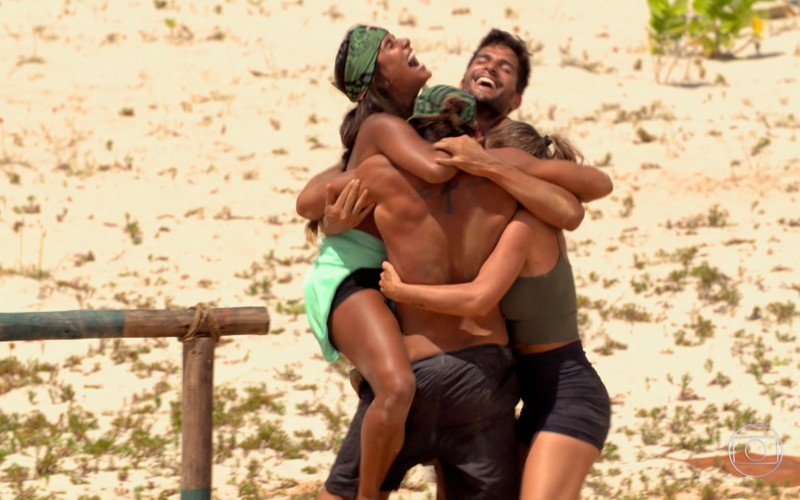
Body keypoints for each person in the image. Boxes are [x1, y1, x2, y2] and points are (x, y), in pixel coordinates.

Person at [301, 25, 583, 499]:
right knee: (394, 389)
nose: (488, 69)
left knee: (394, 399)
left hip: (436, 357)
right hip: (448, 353)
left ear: (514, 101)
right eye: (482, 60)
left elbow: (572, 207)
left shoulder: (479, 159)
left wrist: (485, 163)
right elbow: (315, 197)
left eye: (504, 68)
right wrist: (333, 220)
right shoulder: (416, 142)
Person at [322, 84, 536, 499]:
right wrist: (492, 162)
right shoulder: (505, 174)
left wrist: (333, 223)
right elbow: (587, 185)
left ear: (413, 131)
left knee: (344, 495)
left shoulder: (383, 177)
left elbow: (312, 202)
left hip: (417, 373)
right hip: (483, 376)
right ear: (475, 131)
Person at [379, 120, 612, 500]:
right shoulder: (501, 228)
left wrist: (403, 291)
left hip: (568, 395)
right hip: (533, 399)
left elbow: (477, 299)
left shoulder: (527, 226)